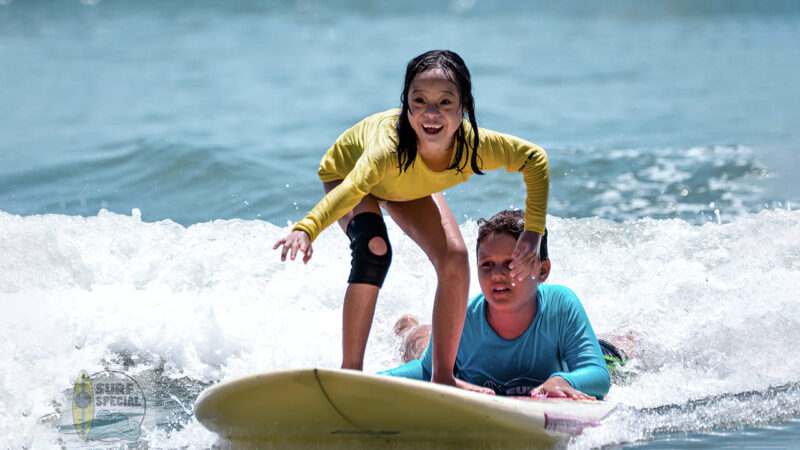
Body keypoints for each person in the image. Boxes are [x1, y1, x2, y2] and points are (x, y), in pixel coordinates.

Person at [273, 50, 549, 387]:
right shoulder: (387, 149)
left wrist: (533, 232)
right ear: (406, 103)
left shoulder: (474, 146)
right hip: (347, 174)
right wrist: (307, 228)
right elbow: (354, 188)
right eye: (419, 100)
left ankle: (443, 377)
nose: (431, 113)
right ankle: (350, 374)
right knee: (373, 250)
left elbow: (535, 160)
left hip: (407, 185)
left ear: (464, 107)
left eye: (445, 102)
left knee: (455, 258)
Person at [381, 210, 611, 399]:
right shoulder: (464, 317)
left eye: (512, 263)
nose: (497, 274)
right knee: (419, 341)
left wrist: (564, 380)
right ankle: (408, 326)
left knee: (617, 349)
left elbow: (599, 375)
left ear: (542, 270)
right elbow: (425, 370)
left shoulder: (561, 306)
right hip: (452, 339)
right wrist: (376, 380)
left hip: (569, 347)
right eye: (487, 264)